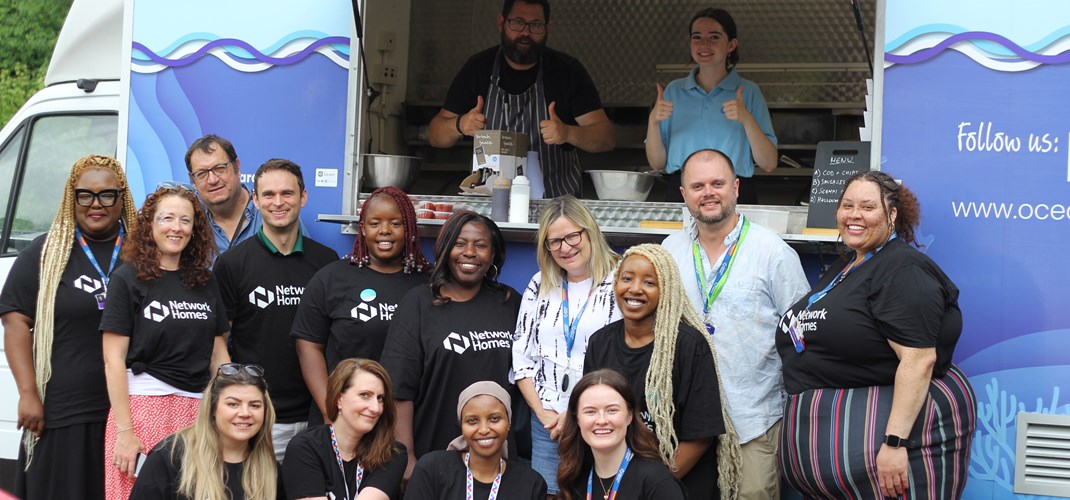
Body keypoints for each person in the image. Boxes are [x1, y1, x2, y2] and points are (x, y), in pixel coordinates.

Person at [776, 170, 976, 499]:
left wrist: (895, 443)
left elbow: (919, 359)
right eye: (847, 205)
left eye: (868, 207)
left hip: (886, 456)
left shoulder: (902, 269)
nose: (855, 215)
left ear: (892, 215)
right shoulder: (848, 267)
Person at [661, 148, 809, 498]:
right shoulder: (670, 251)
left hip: (752, 419)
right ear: (684, 195)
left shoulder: (772, 252)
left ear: (736, 188)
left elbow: (803, 337)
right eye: (698, 185)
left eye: (718, 183)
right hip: (686, 423)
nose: (708, 192)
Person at [0, 155, 138, 500]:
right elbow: (15, 321)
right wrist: (28, 393)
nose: (96, 204)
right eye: (85, 195)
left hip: (132, 413)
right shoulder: (46, 253)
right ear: (71, 198)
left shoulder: (142, 252)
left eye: (107, 194)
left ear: (122, 198)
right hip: (64, 412)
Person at [100, 184, 231, 500]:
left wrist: (229, 405)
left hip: (197, 414)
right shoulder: (127, 278)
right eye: (167, 218)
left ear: (195, 229)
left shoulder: (204, 280)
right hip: (142, 411)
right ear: (150, 224)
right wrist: (125, 432)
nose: (177, 228)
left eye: (185, 221)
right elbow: (113, 360)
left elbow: (218, 354)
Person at [584, 244, 739, 499]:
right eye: (627, 278)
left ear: (666, 290)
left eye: (649, 282)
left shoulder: (689, 346)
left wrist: (650, 486)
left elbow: (701, 435)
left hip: (677, 484)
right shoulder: (600, 343)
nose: (635, 289)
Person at [214, 159, 339, 461]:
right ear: (255, 200)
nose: (278, 202)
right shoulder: (232, 264)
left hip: (317, 415)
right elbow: (218, 342)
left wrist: (330, 410)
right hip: (259, 417)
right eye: (268, 195)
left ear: (303, 197)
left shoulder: (327, 262)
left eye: (287, 193)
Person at [381, 211, 522, 479]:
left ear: (493, 255)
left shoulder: (510, 303)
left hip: (498, 460)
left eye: (480, 245)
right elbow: (399, 389)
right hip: (432, 455)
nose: (469, 252)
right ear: (445, 249)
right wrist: (407, 458)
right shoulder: (419, 304)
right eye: (459, 243)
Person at [427, 0, 615, 198]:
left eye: (535, 25)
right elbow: (435, 135)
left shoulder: (567, 71)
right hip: (490, 207)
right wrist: (460, 124)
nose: (525, 32)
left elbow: (606, 138)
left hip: (556, 208)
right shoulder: (478, 68)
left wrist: (568, 133)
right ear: (502, 23)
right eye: (517, 22)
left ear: (548, 28)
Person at [292, 186, 431, 424]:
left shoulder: (428, 284)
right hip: (343, 419)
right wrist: (331, 410)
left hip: (406, 422)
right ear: (363, 228)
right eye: (375, 223)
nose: (384, 231)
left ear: (409, 229)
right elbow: (308, 346)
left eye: (396, 224)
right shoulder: (332, 279)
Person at [511, 195, 621, 495]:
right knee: (549, 494)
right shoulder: (540, 284)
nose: (565, 247)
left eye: (573, 236)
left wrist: (574, 414)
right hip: (547, 425)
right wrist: (544, 414)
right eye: (554, 241)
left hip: (601, 419)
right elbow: (522, 360)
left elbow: (626, 358)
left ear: (590, 232)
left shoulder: (620, 280)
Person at [646, 8, 777, 204]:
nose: (704, 44)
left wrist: (747, 120)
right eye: (696, 37)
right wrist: (653, 122)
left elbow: (768, 163)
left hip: (735, 192)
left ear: (731, 44)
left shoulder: (748, 91)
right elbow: (657, 163)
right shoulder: (673, 91)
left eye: (714, 37)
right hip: (683, 193)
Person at [129, 363, 280, 500]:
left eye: (255, 405)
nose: (245, 413)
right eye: (233, 404)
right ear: (213, 408)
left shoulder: (268, 465)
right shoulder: (171, 454)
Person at [283, 358, 408, 500]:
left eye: (380, 398)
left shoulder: (392, 453)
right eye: (365, 395)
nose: (375, 408)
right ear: (338, 399)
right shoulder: (305, 447)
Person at [556, 369, 686, 500]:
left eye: (612, 410)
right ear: (577, 419)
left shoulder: (657, 482)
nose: (601, 420)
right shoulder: (574, 480)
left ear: (629, 416)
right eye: (590, 411)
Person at [405, 381, 547, 499]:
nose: (484, 429)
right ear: (462, 426)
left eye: (494, 419)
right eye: (472, 421)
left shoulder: (531, 484)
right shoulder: (432, 469)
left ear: (508, 422)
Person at [185, 134, 260, 254]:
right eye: (202, 173)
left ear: (237, 166)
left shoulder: (271, 211)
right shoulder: (187, 224)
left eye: (220, 168)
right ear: (193, 180)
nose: (212, 180)